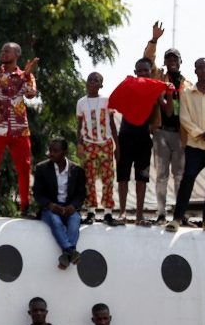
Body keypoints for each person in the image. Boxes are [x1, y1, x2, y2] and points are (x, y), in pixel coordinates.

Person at [109, 58, 172, 225]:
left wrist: (169, 93)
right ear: (135, 72)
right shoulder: (128, 86)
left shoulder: (154, 90)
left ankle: (139, 215)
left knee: (142, 178)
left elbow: (168, 111)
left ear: (151, 72)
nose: (143, 73)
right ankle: (122, 213)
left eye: (146, 71)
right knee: (123, 176)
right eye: (140, 71)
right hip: (125, 136)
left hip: (144, 137)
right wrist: (116, 145)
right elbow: (112, 104)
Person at [166, 58, 205, 234]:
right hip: (195, 144)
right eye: (200, 68)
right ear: (195, 71)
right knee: (187, 180)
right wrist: (200, 133)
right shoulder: (187, 93)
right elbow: (184, 118)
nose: (203, 70)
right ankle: (177, 218)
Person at [0, 43, 39, 217]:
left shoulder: (26, 75)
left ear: (17, 55)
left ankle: (25, 207)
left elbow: (31, 94)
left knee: (24, 168)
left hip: (19, 128)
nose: (3, 53)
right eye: (2, 51)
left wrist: (26, 76)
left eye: (7, 51)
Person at [145, 21, 191, 224]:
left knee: (180, 175)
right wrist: (154, 39)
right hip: (161, 131)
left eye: (175, 59)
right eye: (169, 59)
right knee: (162, 174)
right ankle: (162, 213)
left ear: (180, 62)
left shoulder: (187, 84)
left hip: (180, 133)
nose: (172, 61)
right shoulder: (159, 76)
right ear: (164, 61)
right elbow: (147, 59)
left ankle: (180, 214)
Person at [32, 138, 86, 269]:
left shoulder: (77, 170)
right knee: (55, 221)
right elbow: (37, 194)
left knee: (75, 220)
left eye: (55, 151)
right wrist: (50, 205)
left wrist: (73, 206)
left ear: (65, 152)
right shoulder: (41, 168)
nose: (51, 154)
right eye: (50, 150)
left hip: (69, 209)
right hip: (50, 209)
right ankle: (70, 251)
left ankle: (66, 256)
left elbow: (81, 194)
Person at [76, 72, 119, 226]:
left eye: (97, 80)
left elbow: (112, 124)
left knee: (108, 178)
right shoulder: (81, 102)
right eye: (90, 80)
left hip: (105, 144)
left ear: (101, 85)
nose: (93, 82)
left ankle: (108, 212)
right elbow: (79, 125)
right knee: (89, 178)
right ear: (86, 83)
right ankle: (91, 212)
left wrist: (117, 145)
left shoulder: (106, 100)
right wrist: (79, 144)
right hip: (88, 144)